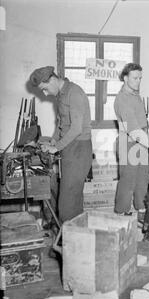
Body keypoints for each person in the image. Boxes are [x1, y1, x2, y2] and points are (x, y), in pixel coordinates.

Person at [29, 66, 93, 223]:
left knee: (67, 207)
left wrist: (56, 147)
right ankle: (78, 240)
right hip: (69, 148)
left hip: (79, 149)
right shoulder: (60, 96)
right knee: (73, 200)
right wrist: (53, 141)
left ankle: (71, 240)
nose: (45, 94)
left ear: (52, 80)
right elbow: (60, 123)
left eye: (44, 89)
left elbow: (76, 128)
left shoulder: (74, 93)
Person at [114, 63, 149, 217]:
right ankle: (122, 211)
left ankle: (141, 208)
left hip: (141, 139)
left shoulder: (135, 95)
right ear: (125, 78)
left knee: (142, 176)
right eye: (135, 78)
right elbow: (133, 129)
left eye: (140, 78)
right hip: (128, 142)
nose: (138, 81)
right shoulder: (123, 99)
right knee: (128, 179)